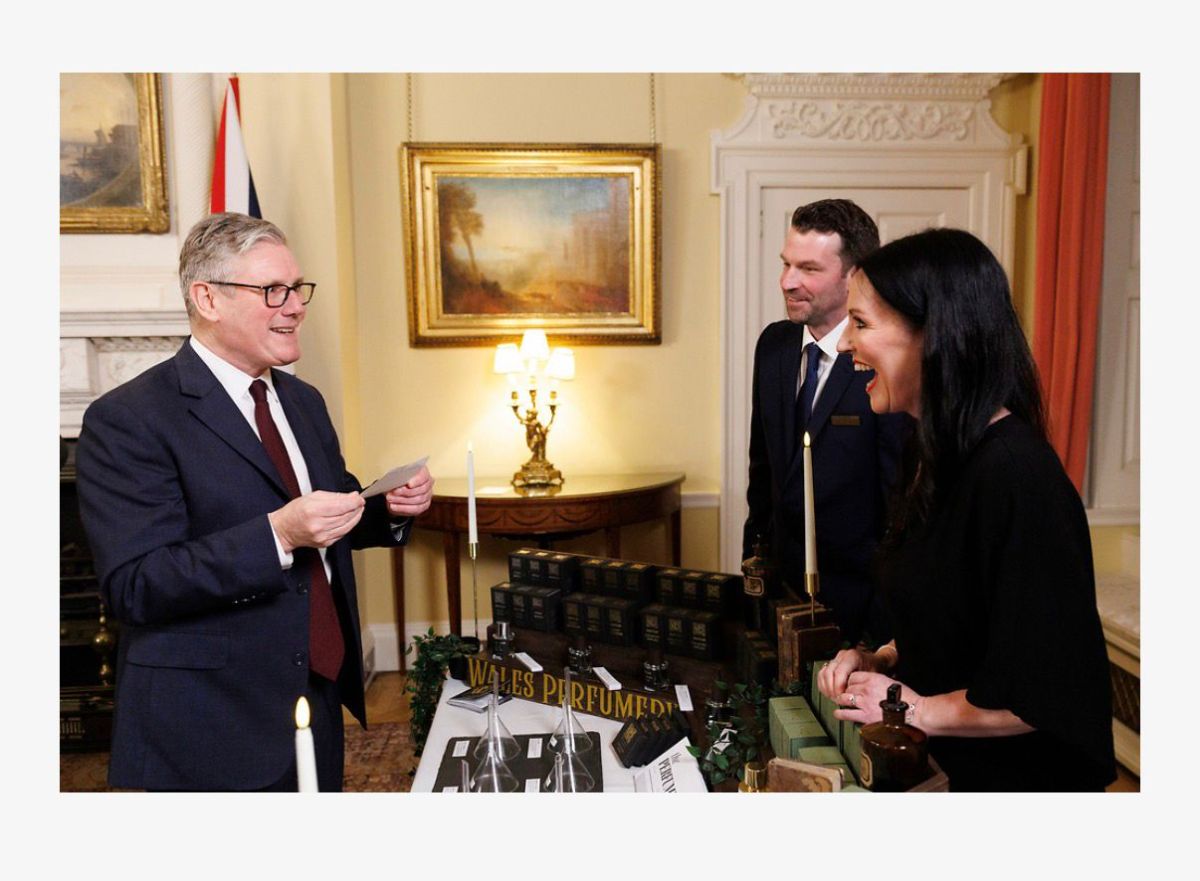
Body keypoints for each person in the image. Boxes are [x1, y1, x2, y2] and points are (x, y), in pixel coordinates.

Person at [75, 212, 434, 792]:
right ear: (208, 298)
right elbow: (137, 584)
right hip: (209, 722)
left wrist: (385, 506)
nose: (294, 306)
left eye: (297, 289)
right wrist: (280, 536)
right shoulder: (128, 419)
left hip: (313, 694)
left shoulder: (303, 401)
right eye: (272, 290)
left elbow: (329, 506)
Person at [818, 227, 1116, 791]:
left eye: (860, 323)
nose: (843, 344)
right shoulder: (928, 451)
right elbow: (961, 615)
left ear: (933, 335)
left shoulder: (1017, 476)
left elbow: (1041, 691)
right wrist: (882, 658)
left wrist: (913, 707)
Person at [744, 199, 907, 646]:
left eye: (809, 269)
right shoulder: (773, 346)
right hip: (779, 600)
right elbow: (763, 475)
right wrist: (755, 580)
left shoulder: (886, 361)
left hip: (861, 615)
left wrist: (882, 629)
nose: (787, 282)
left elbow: (900, 504)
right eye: (786, 264)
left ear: (855, 275)